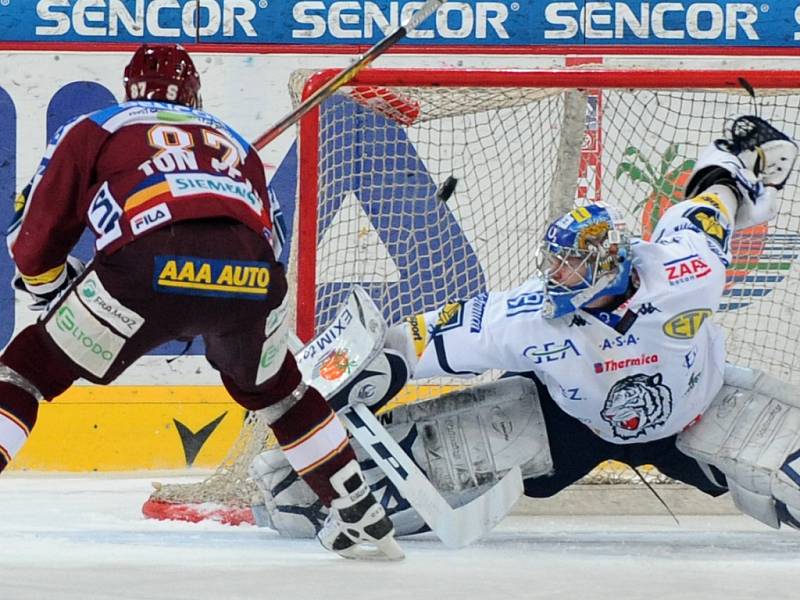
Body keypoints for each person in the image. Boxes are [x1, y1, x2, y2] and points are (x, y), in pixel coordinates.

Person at [252, 114, 800, 538]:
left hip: (698, 415)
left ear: (611, 262)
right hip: (564, 427)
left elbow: (710, 206)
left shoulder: (688, 273)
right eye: (554, 262)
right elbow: (416, 339)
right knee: (295, 497)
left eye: (572, 264)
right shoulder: (528, 316)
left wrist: (732, 158)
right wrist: (360, 373)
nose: (556, 275)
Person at [1, 43, 402, 560]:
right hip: (252, 277)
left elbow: (35, 234)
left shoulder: (100, 124)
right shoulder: (232, 141)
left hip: (148, 265)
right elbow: (274, 242)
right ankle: (362, 514)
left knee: (22, 374)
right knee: (281, 392)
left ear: (130, 88)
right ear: (194, 92)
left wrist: (47, 282)